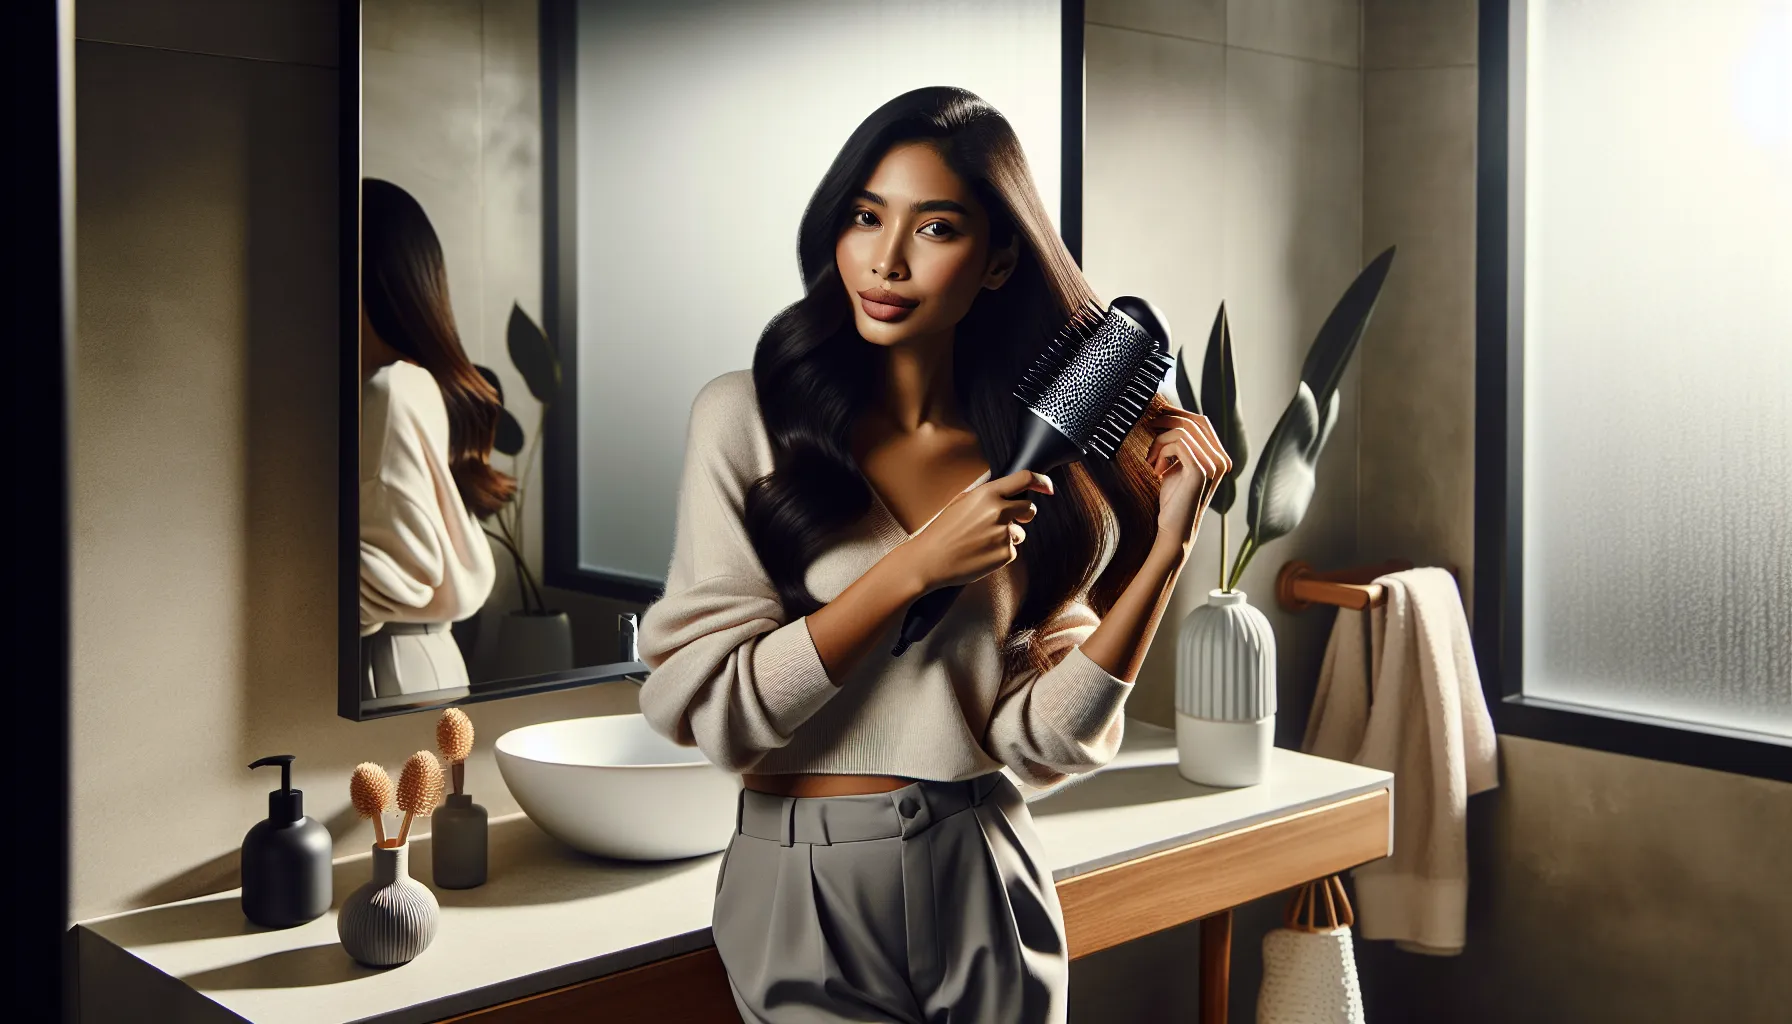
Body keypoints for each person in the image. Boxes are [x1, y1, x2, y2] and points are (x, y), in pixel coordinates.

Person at [637, 87, 1229, 1024]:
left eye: (936, 228)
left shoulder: (1032, 468)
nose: (887, 259)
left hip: (983, 859)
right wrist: (913, 567)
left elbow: (1042, 742)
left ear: (998, 261)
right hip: (802, 883)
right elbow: (715, 713)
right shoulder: (745, 420)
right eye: (866, 217)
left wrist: (1167, 552)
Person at [358, 178, 511, 699]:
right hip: (419, 659)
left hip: (387, 667)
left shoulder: (388, 390)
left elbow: (405, 569)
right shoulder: (412, 382)